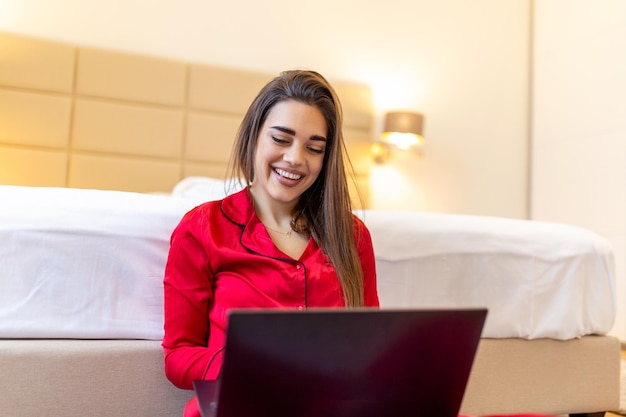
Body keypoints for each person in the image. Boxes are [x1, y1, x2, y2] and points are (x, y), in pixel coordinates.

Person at [162, 69, 380, 417]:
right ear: (254, 138)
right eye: (281, 139)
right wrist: (246, 368)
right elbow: (178, 356)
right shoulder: (202, 228)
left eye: (314, 148)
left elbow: (371, 347)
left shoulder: (352, 236)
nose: (295, 158)